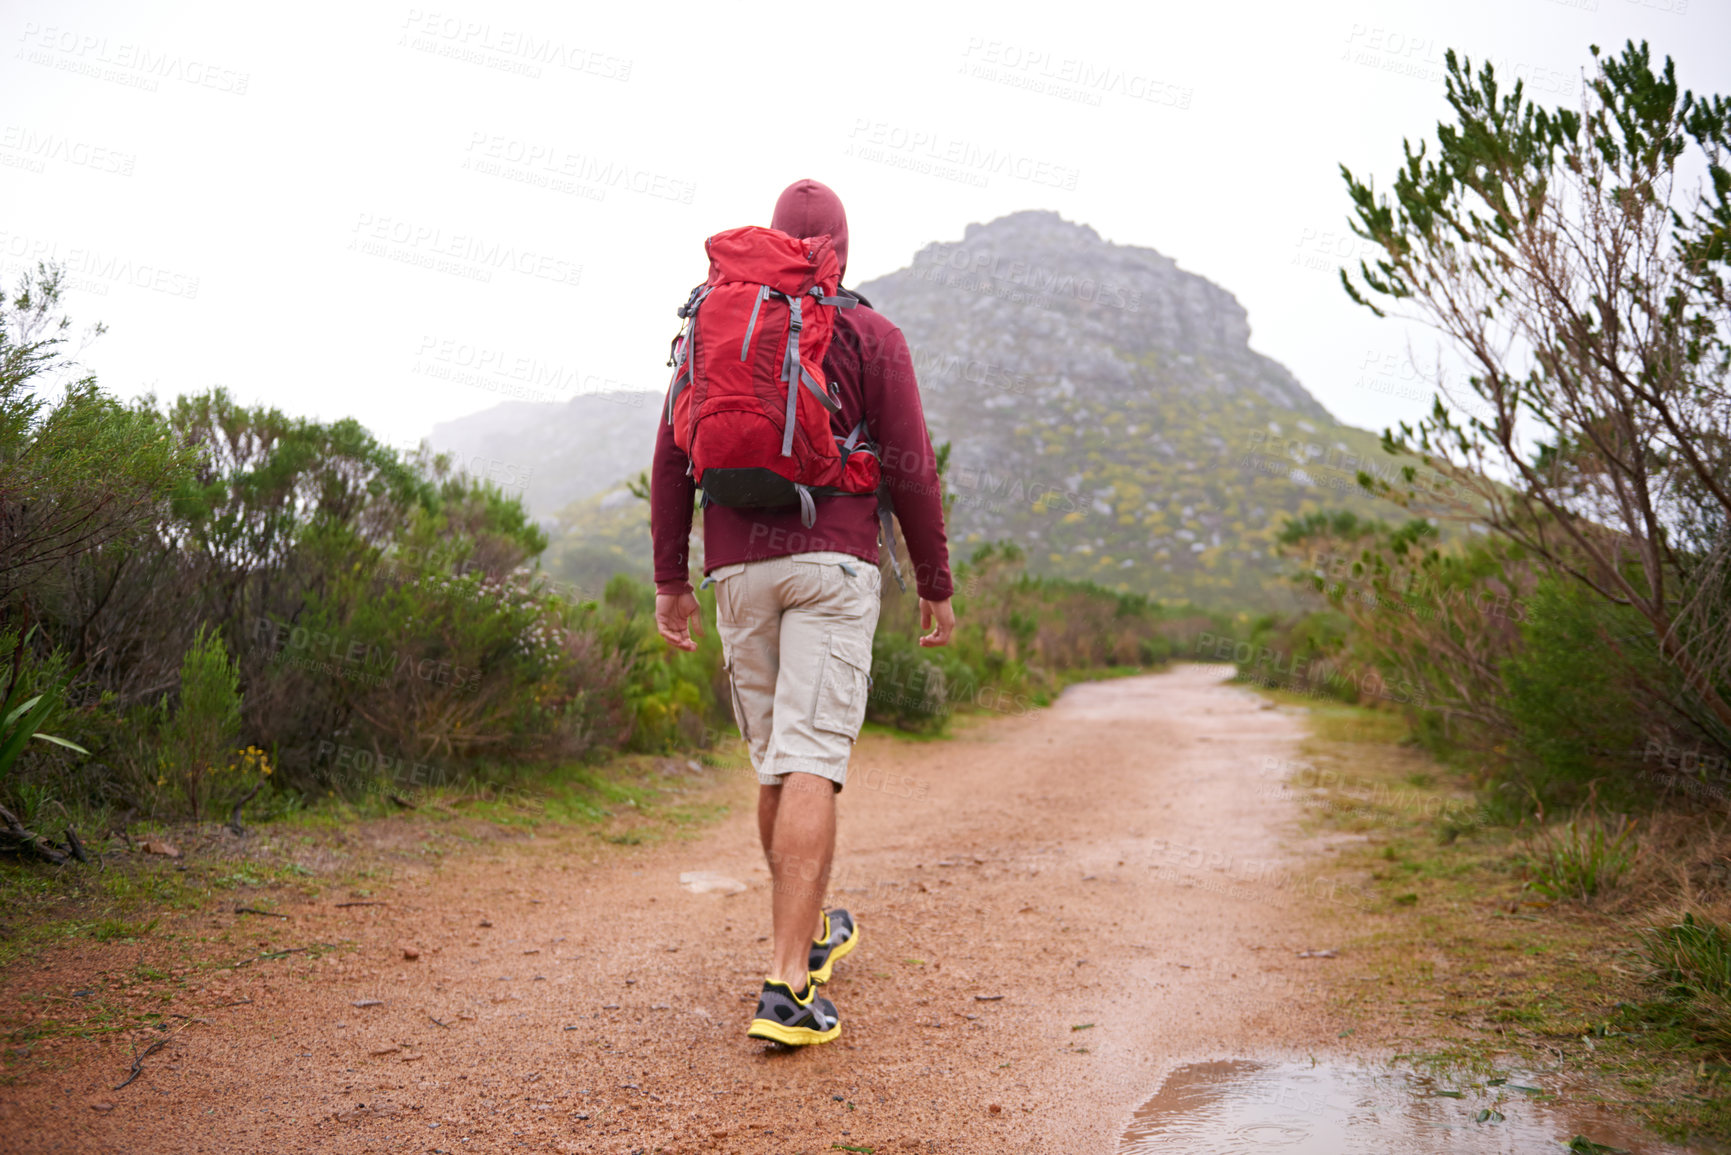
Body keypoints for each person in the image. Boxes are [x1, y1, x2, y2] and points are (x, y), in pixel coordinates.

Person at [651, 178, 955, 1046]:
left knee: (776, 765)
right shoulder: (872, 333)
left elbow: (672, 458)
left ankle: (810, 935)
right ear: (843, 249)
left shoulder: (715, 326)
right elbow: (912, 468)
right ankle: (786, 982)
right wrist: (933, 580)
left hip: (737, 565)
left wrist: (672, 576)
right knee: (813, 757)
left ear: (774, 242)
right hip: (833, 561)